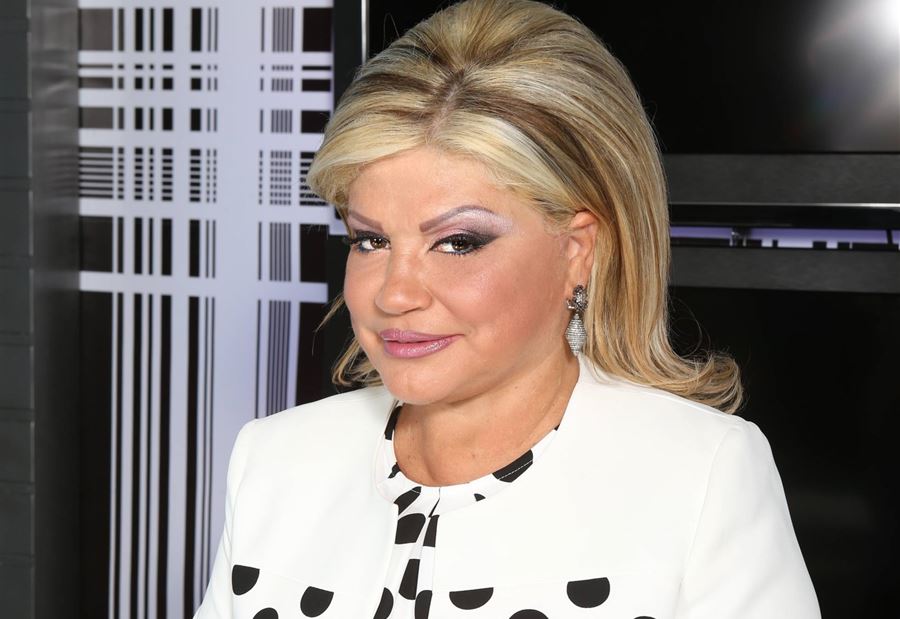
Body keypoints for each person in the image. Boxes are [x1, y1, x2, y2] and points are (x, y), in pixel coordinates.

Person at [195, 0, 820, 617]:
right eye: (371, 240)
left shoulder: (701, 475)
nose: (394, 294)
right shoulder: (275, 459)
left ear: (577, 251)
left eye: (458, 242)